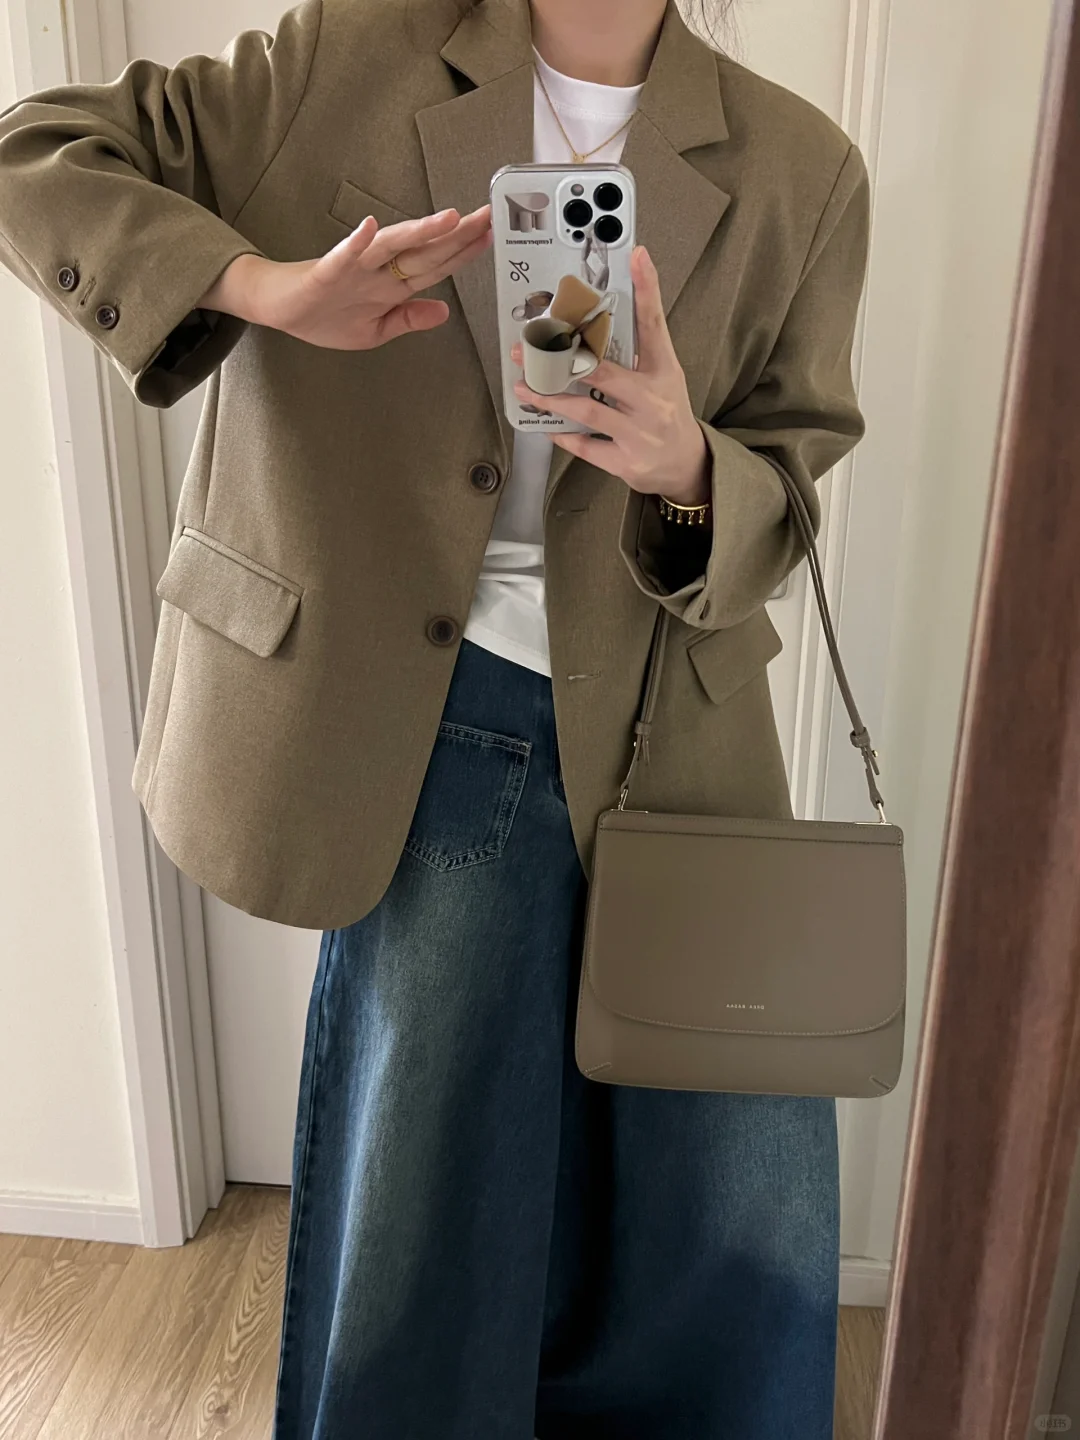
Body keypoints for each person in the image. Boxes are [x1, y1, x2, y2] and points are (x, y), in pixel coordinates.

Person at [0, 0, 870, 1433]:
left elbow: (792, 480)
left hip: (677, 745)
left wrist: (688, 465)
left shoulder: (802, 165)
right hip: (435, 722)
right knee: (431, 1222)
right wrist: (264, 286)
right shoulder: (352, 53)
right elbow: (36, 153)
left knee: (722, 1225)